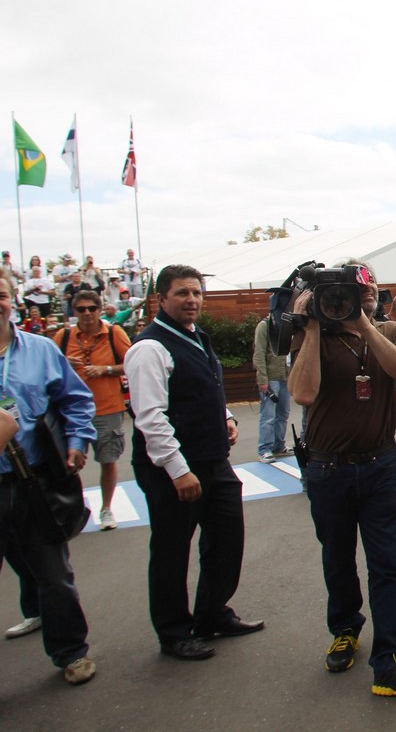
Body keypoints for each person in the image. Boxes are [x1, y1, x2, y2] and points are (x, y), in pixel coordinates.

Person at [288, 260, 396, 699]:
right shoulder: (312, 335)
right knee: (337, 556)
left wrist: (363, 324)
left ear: (374, 296)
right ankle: (345, 629)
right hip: (327, 467)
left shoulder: (389, 331)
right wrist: (312, 328)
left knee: (387, 564)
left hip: (380, 465)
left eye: (363, 293)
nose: (353, 300)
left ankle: (390, 661)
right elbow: (303, 392)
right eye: (344, 294)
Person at [124, 264, 264, 661]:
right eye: (182, 293)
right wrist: (177, 469)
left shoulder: (196, 337)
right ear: (161, 299)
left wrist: (226, 418)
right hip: (174, 469)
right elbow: (150, 417)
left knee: (225, 542)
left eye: (197, 293)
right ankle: (173, 632)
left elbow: (207, 386)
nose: (192, 300)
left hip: (213, 461)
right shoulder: (149, 348)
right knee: (171, 552)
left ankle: (211, 614)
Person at [0, 275, 98, 684]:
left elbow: (75, 400)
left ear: (13, 300)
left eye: (0, 295)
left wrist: (76, 442)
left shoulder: (40, 350)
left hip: (33, 481)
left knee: (53, 574)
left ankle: (71, 652)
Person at [53, 291, 132, 530]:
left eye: (91, 308)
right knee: (65, 464)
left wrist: (105, 369)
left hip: (107, 408)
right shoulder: (63, 336)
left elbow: (131, 362)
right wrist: (64, 363)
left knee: (108, 460)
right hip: (69, 411)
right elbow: (47, 367)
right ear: (74, 312)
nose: (87, 313)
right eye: (81, 309)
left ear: (99, 310)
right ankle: (69, 511)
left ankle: (106, 509)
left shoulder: (113, 333)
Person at [251, 317, 291, 463]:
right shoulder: (264, 326)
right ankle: (264, 449)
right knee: (268, 416)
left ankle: (279, 445)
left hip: (285, 376)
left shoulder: (286, 325)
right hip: (271, 378)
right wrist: (262, 379)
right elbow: (259, 353)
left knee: (283, 413)